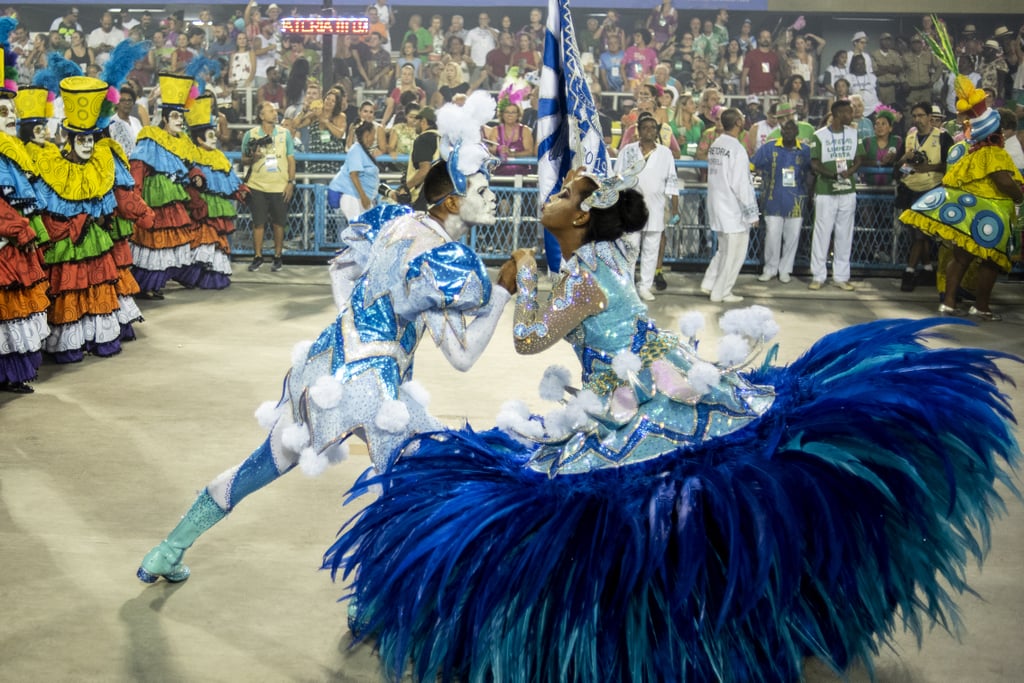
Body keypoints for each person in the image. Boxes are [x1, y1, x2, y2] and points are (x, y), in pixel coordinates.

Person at [328, 164, 1021, 683]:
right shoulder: (596, 258)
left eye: (565, 194)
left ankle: (665, 638)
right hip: (647, 383)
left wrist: (520, 281)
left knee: (592, 512)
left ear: (578, 219)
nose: (553, 195)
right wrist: (533, 274)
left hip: (638, 405)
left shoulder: (583, 271)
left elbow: (529, 340)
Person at [137, 99, 515, 585]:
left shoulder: (394, 222)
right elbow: (462, 357)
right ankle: (368, 602)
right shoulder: (444, 262)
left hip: (323, 370)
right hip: (374, 391)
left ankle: (166, 551)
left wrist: (354, 326)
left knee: (262, 464)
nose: (494, 198)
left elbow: (341, 268)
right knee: (427, 479)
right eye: (483, 189)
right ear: (450, 201)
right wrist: (503, 290)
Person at [901, 46, 1024, 321]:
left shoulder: (970, 151)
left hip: (968, 214)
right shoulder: (992, 153)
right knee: (991, 262)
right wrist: (1019, 196)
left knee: (961, 258)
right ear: (996, 131)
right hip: (990, 213)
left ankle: (949, 303)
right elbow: (1003, 180)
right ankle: (981, 307)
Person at [129, 73, 201, 299]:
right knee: (153, 241)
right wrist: (136, 199)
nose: (180, 121)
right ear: (164, 118)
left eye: (181, 117)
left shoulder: (183, 141)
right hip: (154, 197)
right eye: (175, 116)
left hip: (173, 196)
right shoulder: (151, 136)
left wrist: (197, 175)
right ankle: (144, 285)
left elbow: (190, 164)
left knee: (172, 240)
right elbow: (138, 167)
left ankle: (157, 282)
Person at [0, 81, 48, 392]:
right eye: (3, 111)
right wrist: (17, 228)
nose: (11, 116)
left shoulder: (11, 157)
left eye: (12, 111)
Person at [184, 93, 246, 289]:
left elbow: (229, 178)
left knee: (216, 239)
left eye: (213, 134)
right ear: (199, 139)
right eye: (209, 135)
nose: (213, 138)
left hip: (217, 205)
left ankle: (213, 274)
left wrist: (240, 189)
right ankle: (196, 274)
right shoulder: (192, 155)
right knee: (201, 236)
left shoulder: (219, 156)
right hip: (199, 203)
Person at [616, 112, 678, 301]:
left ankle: (645, 286)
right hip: (631, 207)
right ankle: (626, 287)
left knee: (651, 249)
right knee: (630, 247)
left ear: (657, 131)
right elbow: (616, 178)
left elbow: (672, 182)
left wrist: (675, 208)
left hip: (657, 207)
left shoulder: (665, 153)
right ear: (639, 131)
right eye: (645, 127)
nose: (649, 131)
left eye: (653, 127)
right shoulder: (627, 150)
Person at [893, 101, 954, 292]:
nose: (917, 119)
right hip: (910, 187)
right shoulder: (910, 138)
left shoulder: (943, 138)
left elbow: (951, 165)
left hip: (931, 189)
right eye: (914, 116)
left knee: (920, 233)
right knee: (916, 233)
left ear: (929, 117)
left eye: (921, 115)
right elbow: (899, 167)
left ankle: (909, 272)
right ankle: (928, 269)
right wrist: (905, 159)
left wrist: (928, 167)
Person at [700, 107, 759, 303]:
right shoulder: (737, 149)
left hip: (717, 204)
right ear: (739, 123)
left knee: (723, 250)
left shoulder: (717, 144)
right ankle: (721, 292)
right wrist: (752, 214)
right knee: (734, 253)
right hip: (733, 209)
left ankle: (709, 283)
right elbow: (742, 185)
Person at [808, 99, 864, 291]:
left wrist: (850, 171)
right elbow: (814, 163)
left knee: (844, 234)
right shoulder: (819, 136)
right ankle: (818, 275)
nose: (852, 115)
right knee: (821, 233)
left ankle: (841, 276)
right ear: (839, 114)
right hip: (825, 190)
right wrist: (833, 174)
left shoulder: (854, 133)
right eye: (849, 112)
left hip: (848, 190)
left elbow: (859, 159)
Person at [752, 118, 811, 284]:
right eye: (785, 129)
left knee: (792, 238)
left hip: (796, 202)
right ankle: (770, 269)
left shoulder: (805, 150)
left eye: (792, 130)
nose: (788, 132)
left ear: (797, 132)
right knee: (772, 236)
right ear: (781, 130)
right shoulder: (769, 147)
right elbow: (753, 163)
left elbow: (812, 171)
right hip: (773, 200)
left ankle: (785, 270)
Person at [241, 101, 295, 273]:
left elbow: (291, 159)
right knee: (258, 223)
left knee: (279, 223)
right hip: (256, 185)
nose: (274, 112)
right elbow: (244, 159)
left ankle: (277, 257)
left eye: (274, 110)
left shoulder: (285, 134)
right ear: (261, 116)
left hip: (279, 186)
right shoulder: (251, 134)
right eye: (270, 110)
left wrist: (290, 182)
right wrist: (253, 158)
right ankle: (258, 257)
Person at [327, 120, 380, 220]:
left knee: (364, 230)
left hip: (360, 197)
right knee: (356, 230)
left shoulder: (363, 151)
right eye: (374, 135)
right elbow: (353, 174)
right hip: (351, 196)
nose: (374, 139)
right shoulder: (356, 149)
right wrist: (363, 196)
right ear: (367, 134)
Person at [402, 105, 439, 208]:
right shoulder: (441, 138)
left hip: (424, 198)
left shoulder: (423, 139)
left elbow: (424, 169)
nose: (414, 124)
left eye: (416, 120)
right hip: (441, 195)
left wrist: (405, 187)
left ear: (423, 121)